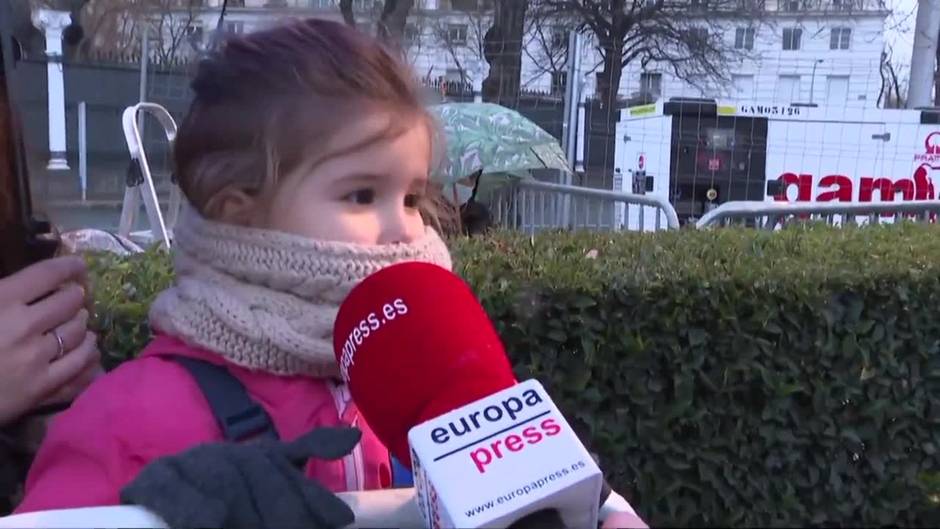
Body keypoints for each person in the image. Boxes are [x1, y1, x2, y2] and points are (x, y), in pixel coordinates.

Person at [14, 19, 646, 528]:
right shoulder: (131, 418)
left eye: (410, 196)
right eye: (361, 195)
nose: (405, 229)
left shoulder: (418, 389)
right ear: (241, 208)